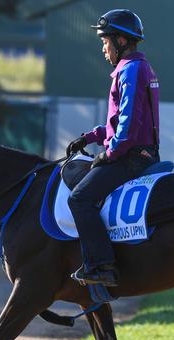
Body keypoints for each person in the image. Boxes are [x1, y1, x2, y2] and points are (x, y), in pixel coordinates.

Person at [66, 9, 160, 287]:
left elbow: (129, 126)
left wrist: (108, 154)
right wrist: (90, 137)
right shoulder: (135, 67)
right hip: (134, 151)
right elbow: (119, 121)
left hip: (131, 157)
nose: (103, 48)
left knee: (79, 199)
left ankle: (101, 266)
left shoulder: (130, 69)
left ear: (120, 41)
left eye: (105, 41)